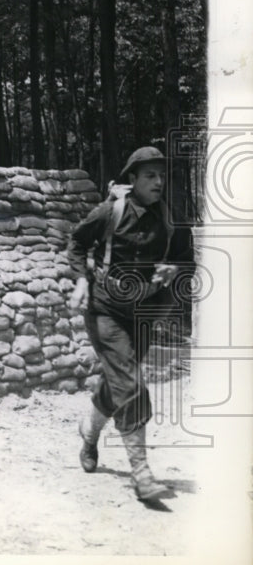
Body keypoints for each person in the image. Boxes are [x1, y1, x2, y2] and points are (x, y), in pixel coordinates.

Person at [68, 146, 187, 501]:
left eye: (161, 175)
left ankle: (89, 433)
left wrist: (176, 268)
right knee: (130, 382)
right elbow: (77, 242)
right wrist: (81, 280)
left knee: (119, 379)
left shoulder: (169, 218)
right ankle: (141, 472)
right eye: (150, 175)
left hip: (145, 311)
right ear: (132, 180)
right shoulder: (110, 211)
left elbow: (187, 259)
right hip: (105, 309)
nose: (158, 182)